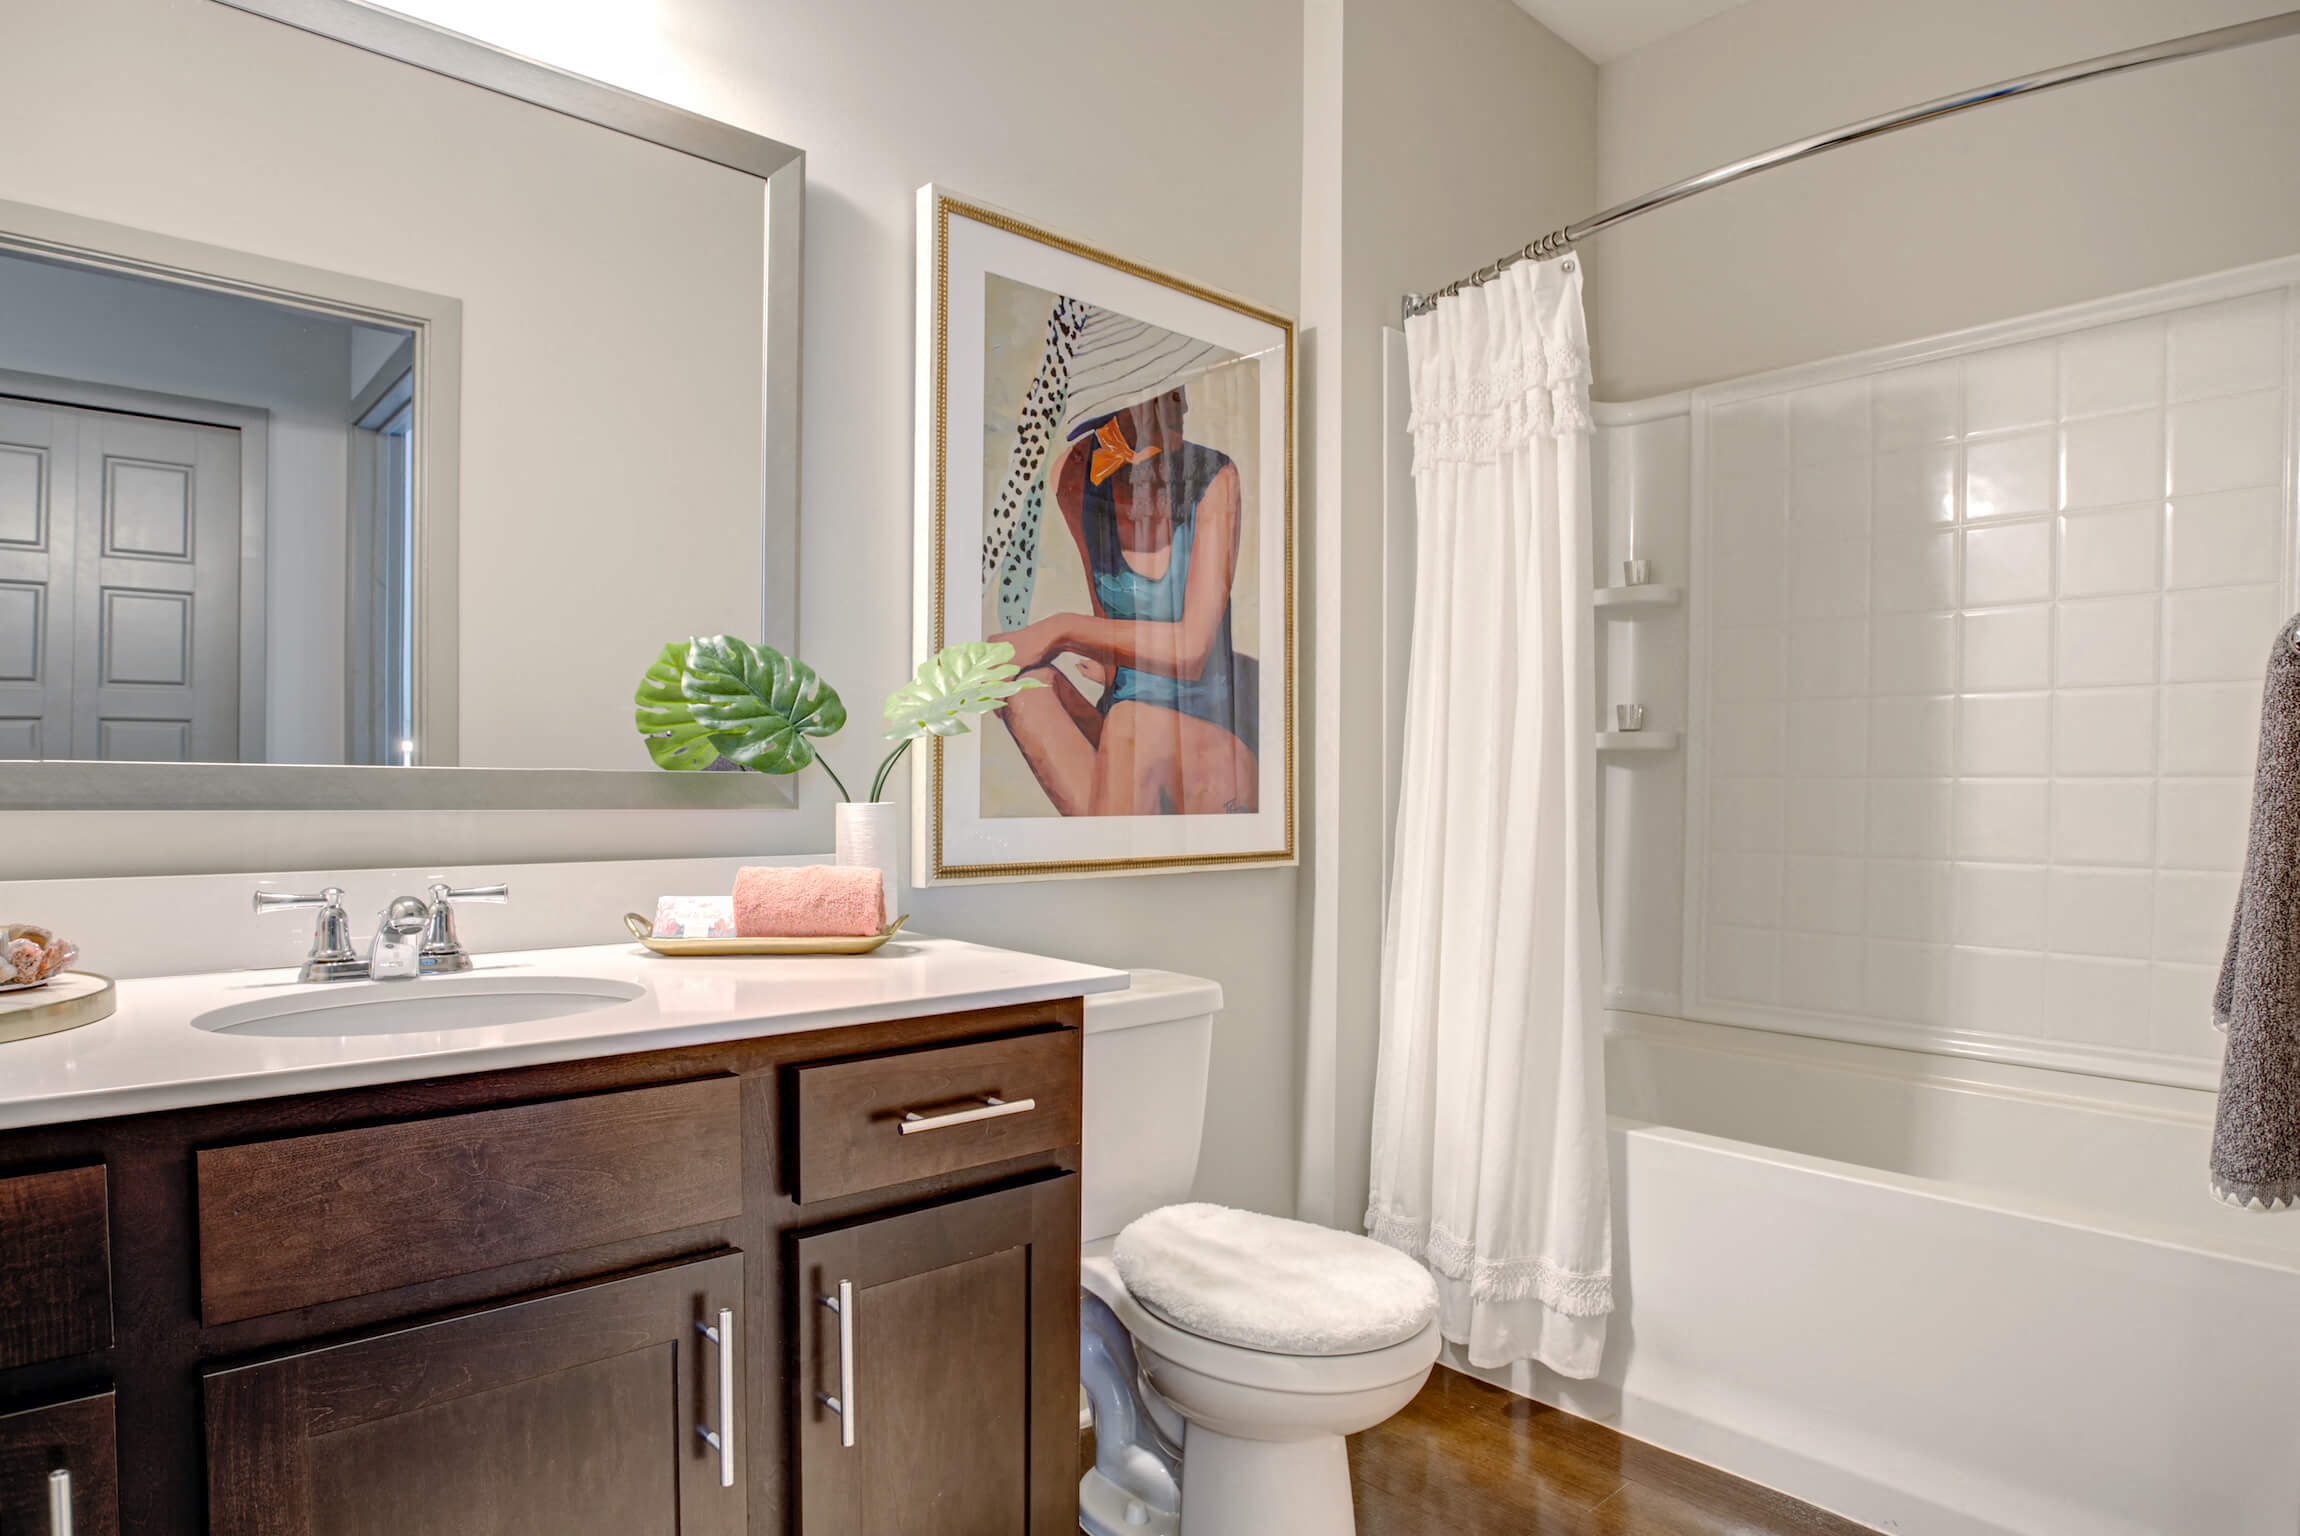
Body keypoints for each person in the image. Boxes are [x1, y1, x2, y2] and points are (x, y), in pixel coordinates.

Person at [994, 384, 1258, 815]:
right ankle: (1116, 842)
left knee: (1130, 724)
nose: (1184, 405)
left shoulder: (1215, 477)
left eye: (1181, 391)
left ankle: (1112, 850)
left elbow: (1192, 650)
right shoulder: (1075, 476)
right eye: (1167, 393)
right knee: (1026, 692)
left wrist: (1061, 630)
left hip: (1210, 743)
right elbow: (1106, 621)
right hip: (1127, 732)